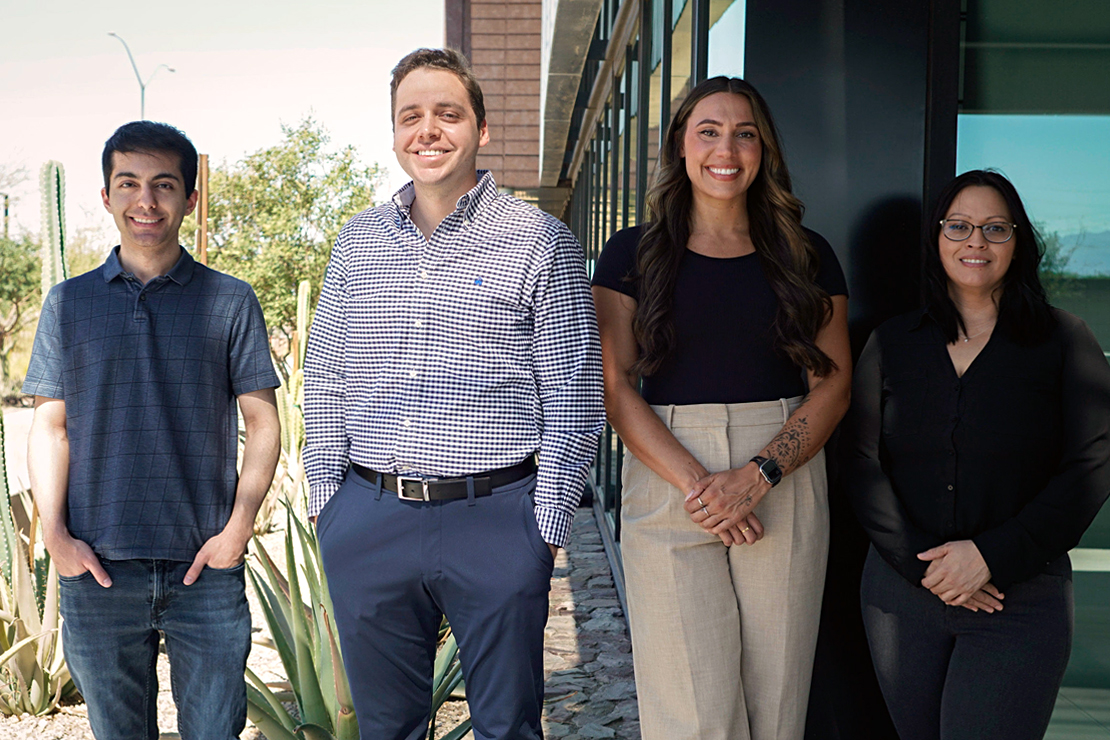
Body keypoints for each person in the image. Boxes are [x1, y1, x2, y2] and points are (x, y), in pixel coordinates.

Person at [303, 48, 604, 740]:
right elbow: (324, 377)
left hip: (496, 518)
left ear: (482, 129)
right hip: (368, 517)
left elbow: (574, 396)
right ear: (394, 133)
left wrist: (543, 528)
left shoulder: (540, 242)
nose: (428, 130)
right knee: (387, 730)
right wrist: (329, 503)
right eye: (411, 116)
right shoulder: (356, 244)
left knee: (507, 729)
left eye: (448, 114)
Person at [591, 76, 852, 740]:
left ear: (764, 150)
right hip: (669, 467)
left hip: (784, 472)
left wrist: (757, 476)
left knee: (776, 706)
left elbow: (834, 383)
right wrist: (703, 489)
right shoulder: (632, 253)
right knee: (692, 714)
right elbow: (615, 386)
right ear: (680, 142)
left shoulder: (805, 253)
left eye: (745, 133)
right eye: (708, 130)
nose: (726, 149)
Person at [23, 121, 282, 740]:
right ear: (107, 195)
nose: (147, 201)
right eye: (130, 183)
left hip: (205, 567)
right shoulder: (68, 303)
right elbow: (50, 427)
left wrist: (238, 530)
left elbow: (263, 421)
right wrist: (55, 536)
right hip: (98, 568)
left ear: (190, 197)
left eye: (165, 185)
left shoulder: (229, 300)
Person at [845, 169, 1110, 740]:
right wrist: (925, 563)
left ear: (1019, 241)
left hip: (1019, 602)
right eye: (959, 226)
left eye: (995, 228)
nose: (976, 242)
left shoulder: (1065, 340)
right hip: (900, 598)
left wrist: (991, 556)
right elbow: (861, 462)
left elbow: (1093, 464)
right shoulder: (892, 342)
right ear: (936, 238)